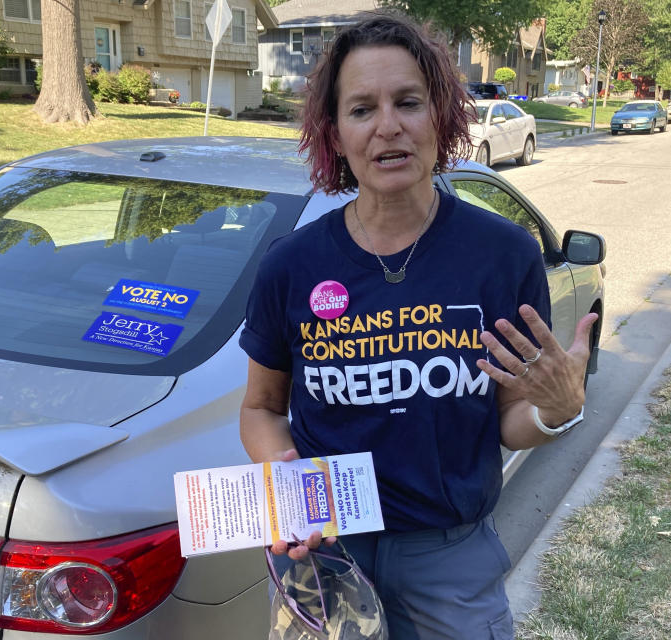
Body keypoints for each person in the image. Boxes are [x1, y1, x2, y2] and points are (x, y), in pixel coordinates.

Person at [239, 12, 597, 640]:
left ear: (443, 116)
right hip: (328, 557)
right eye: (361, 109)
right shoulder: (292, 266)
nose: (387, 127)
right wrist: (291, 485)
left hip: (450, 560)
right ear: (336, 133)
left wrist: (555, 412)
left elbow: (510, 420)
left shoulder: (502, 255)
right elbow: (262, 409)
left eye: (408, 102)